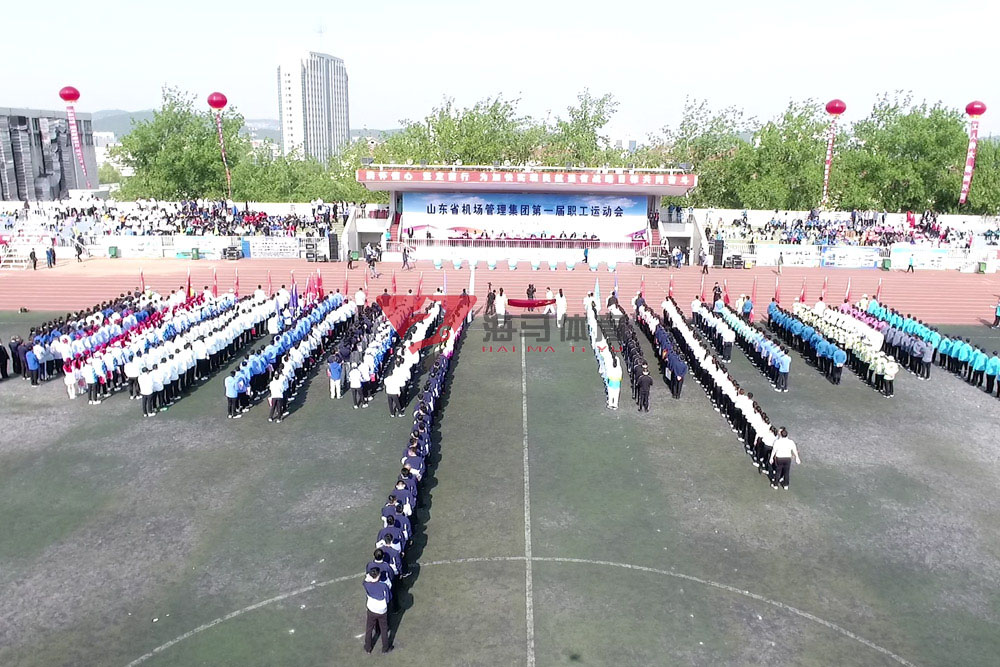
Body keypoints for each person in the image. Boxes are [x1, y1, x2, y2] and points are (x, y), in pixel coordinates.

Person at [362, 567, 393, 654]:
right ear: (378, 575)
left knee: (369, 628)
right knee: (384, 629)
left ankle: (368, 647)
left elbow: (365, 581)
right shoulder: (383, 586)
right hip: (382, 610)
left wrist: (368, 577)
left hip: (371, 609)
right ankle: (385, 648)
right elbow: (388, 598)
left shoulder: (366, 584)